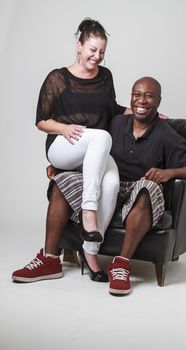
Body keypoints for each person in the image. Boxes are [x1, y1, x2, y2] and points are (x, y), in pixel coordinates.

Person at [12, 77, 186, 293]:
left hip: (137, 190)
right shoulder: (115, 123)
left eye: (149, 96)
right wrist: (60, 165)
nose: (141, 101)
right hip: (106, 185)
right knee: (63, 180)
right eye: (137, 95)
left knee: (149, 187)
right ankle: (50, 259)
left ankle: (121, 264)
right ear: (131, 98)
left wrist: (169, 172)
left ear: (159, 101)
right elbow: (91, 148)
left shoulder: (166, 134)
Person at [25, 17, 131, 281]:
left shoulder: (105, 77)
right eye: (93, 50)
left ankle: (91, 253)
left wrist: (145, 114)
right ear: (79, 45)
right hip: (65, 146)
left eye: (102, 52)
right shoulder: (57, 78)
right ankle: (88, 213)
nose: (97, 56)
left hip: (94, 150)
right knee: (102, 138)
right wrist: (62, 128)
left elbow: (112, 110)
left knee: (112, 182)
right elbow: (41, 120)